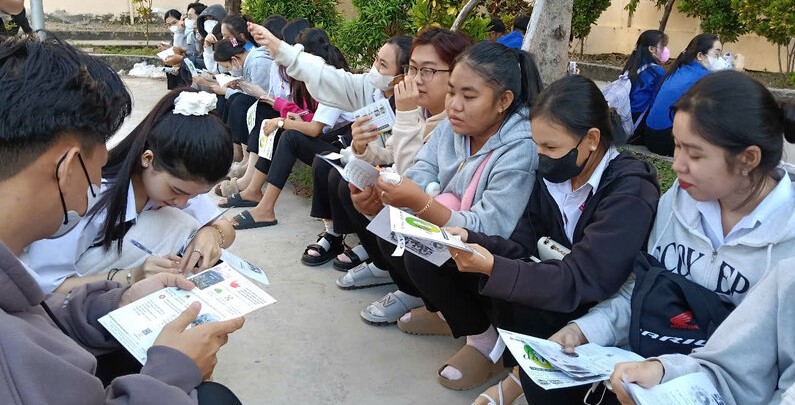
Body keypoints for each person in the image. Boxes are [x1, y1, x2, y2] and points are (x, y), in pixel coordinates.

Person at [0, 32, 243, 405]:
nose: (97, 181)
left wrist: (120, 298)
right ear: (66, 170)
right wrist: (168, 370)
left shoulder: (14, 292)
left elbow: (40, 310)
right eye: (96, 168)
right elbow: (48, 291)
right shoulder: (95, 204)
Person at [551, 71, 795, 405]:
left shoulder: (788, 246)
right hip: (652, 374)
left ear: (747, 159)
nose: (678, 165)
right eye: (677, 146)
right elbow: (640, 290)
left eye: (694, 154)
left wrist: (668, 371)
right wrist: (586, 330)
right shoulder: (677, 203)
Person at [426, 75, 659, 401]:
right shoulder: (554, 176)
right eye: (537, 144)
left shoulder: (631, 189)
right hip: (557, 292)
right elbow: (522, 243)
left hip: (601, 309)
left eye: (551, 147)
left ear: (591, 139)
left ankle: (522, 378)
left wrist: (494, 265)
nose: (541, 155)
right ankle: (520, 371)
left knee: (514, 283)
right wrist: (472, 238)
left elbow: (585, 277)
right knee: (500, 280)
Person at [356, 42, 542, 360]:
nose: (454, 105)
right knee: (387, 226)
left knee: (422, 253)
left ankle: (484, 340)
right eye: (452, 92)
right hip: (454, 231)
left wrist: (418, 202)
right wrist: (382, 196)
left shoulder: (521, 148)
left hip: (497, 254)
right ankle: (445, 313)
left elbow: (491, 227)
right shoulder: (451, 128)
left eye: (468, 96)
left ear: (504, 101)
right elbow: (419, 172)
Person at [24, 89, 236, 294]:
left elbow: (226, 228)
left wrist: (210, 234)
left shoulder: (175, 190)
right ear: (148, 159)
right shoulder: (92, 198)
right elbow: (45, 287)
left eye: (194, 195)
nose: (183, 202)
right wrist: (130, 276)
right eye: (177, 191)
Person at [327, 29, 471, 288]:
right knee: (350, 184)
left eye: (427, 71)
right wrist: (362, 147)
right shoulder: (423, 110)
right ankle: (387, 269)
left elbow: (413, 177)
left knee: (387, 207)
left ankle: (415, 291)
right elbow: (391, 153)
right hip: (418, 203)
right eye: (412, 69)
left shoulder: (455, 122)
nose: (415, 79)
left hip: (444, 220)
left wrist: (405, 114)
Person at [644, 33, 743, 156]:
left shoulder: (682, 68)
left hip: (650, 134)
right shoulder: (702, 77)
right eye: (717, 54)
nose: (719, 59)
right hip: (665, 141)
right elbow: (738, 95)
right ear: (700, 55)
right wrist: (738, 70)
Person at [622, 29, 669, 143]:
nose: (665, 50)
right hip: (638, 122)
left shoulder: (632, 66)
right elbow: (655, 103)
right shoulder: (657, 71)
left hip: (625, 117)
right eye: (663, 46)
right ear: (651, 49)